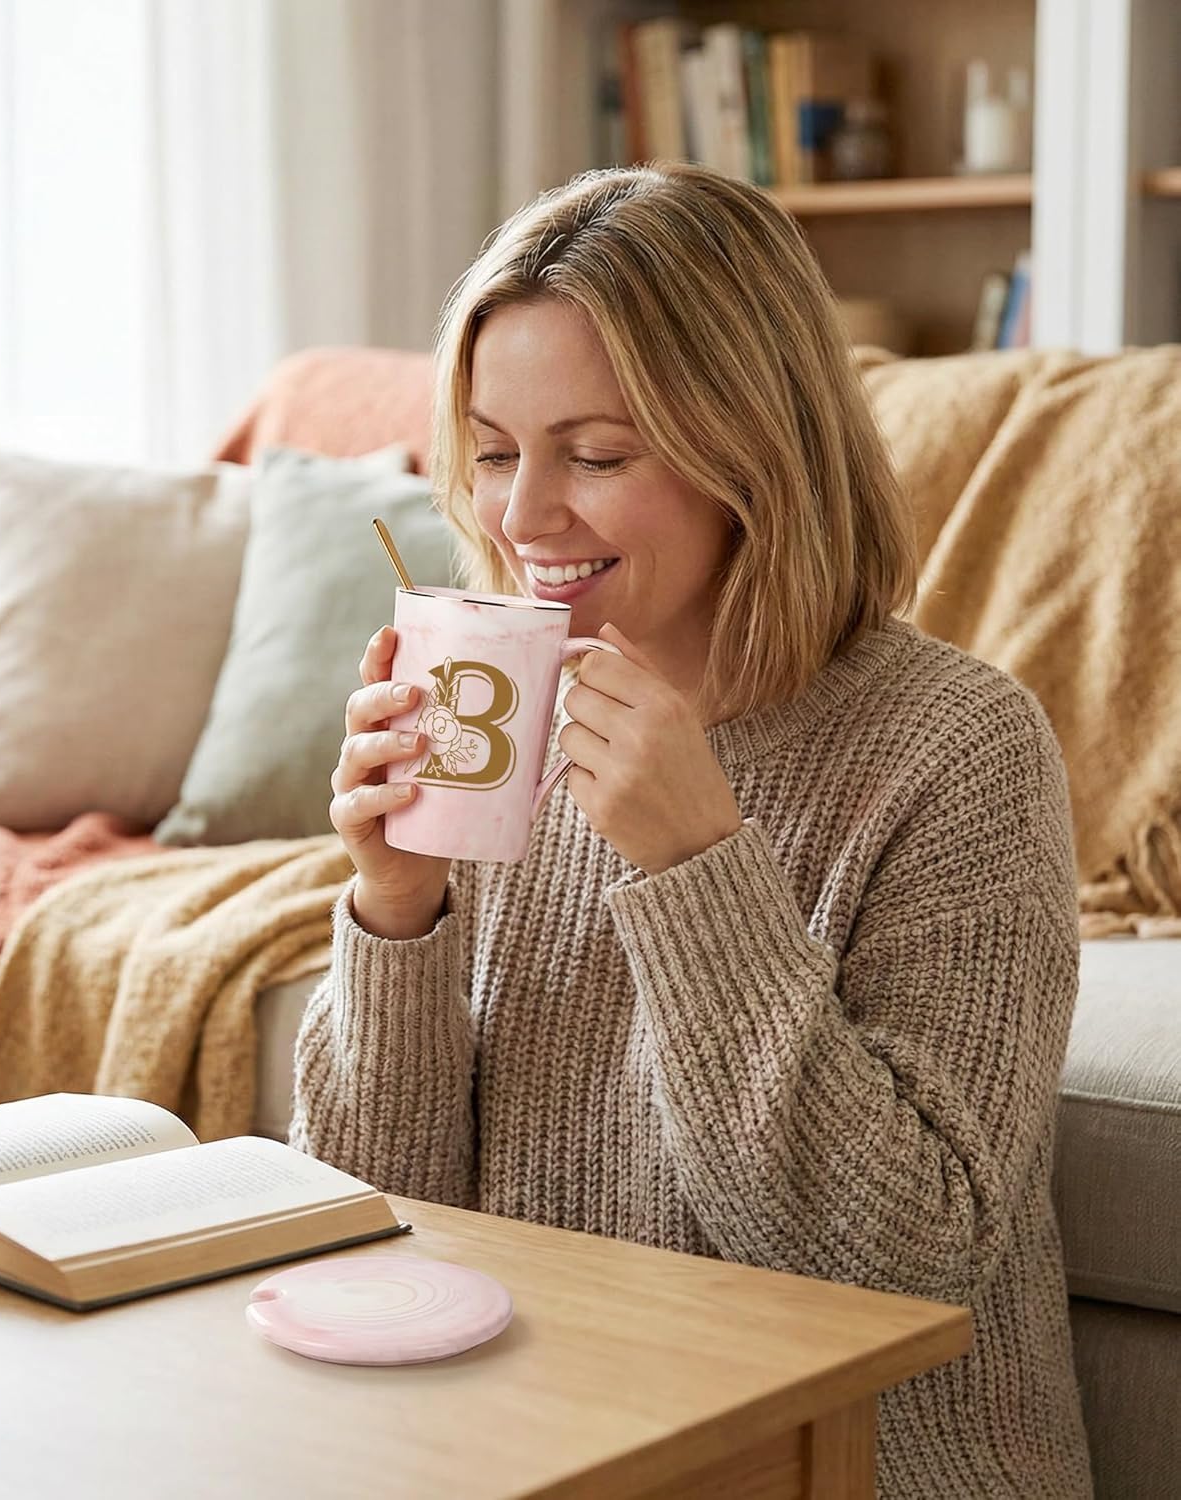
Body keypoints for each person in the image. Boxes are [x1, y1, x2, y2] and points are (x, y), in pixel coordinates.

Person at [289, 163, 1092, 1498]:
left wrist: (698, 866)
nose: (522, 516)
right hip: (546, 1453)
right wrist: (397, 913)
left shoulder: (961, 752)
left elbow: (898, 1265)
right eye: (493, 452)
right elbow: (374, 1231)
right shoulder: (500, 720)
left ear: (754, 448)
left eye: (596, 455)